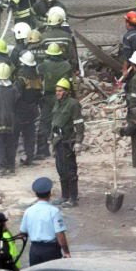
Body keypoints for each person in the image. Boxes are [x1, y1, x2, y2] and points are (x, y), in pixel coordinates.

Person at [20, 177, 71, 266]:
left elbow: (22, 232)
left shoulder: (28, 211)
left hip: (34, 250)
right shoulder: (54, 211)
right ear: (50, 194)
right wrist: (66, 252)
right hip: (51, 250)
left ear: (36, 194)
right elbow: (59, 234)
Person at [50, 78, 84, 208]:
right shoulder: (57, 103)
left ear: (66, 92)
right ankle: (65, 196)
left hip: (68, 142)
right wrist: (51, 142)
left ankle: (73, 198)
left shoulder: (73, 104)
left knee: (70, 171)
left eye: (60, 91)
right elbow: (54, 123)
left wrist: (79, 141)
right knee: (60, 169)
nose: (57, 93)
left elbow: (79, 124)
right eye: (56, 91)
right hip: (58, 141)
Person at [35, 43, 72, 160]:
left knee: (44, 122)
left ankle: (42, 151)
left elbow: (37, 70)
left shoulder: (44, 65)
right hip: (62, 96)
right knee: (60, 122)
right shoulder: (66, 65)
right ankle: (59, 149)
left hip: (48, 96)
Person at [14, 51, 41, 167]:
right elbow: (39, 96)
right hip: (33, 110)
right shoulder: (37, 77)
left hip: (21, 110)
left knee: (15, 134)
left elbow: (16, 95)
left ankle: (11, 160)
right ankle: (29, 157)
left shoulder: (21, 78)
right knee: (30, 135)